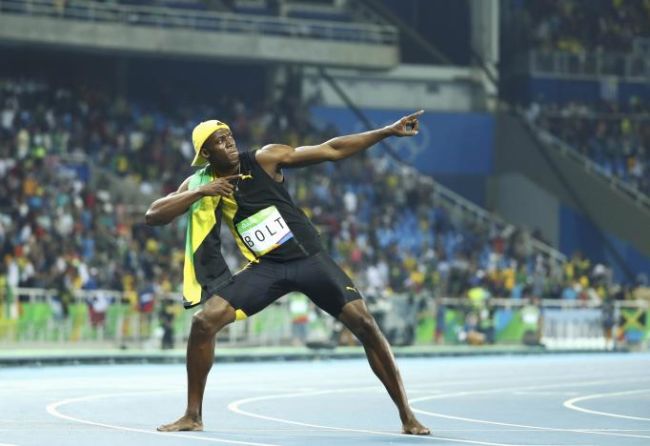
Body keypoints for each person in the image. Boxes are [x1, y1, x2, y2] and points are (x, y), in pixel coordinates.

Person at [145, 110, 430, 435]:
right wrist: (200, 193)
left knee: (365, 323)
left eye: (229, 137)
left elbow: (331, 150)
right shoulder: (201, 183)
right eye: (220, 143)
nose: (229, 144)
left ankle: (407, 415)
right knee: (203, 323)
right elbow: (153, 215)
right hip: (268, 268)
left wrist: (387, 132)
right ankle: (192, 415)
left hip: (309, 260)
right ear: (206, 154)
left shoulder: (265, 158)